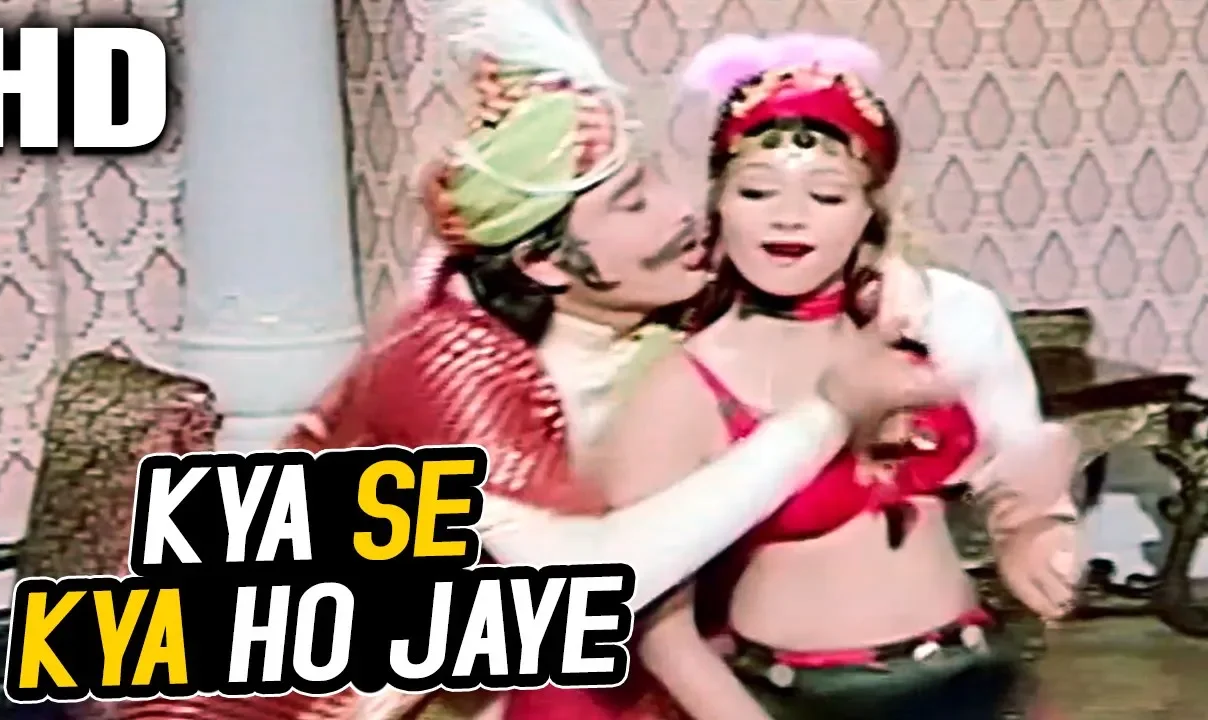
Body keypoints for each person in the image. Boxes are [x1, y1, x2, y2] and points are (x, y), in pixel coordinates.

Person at [107, 6, 956, 720]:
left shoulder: (647, 302)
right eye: (632, 202)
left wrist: (886, 276)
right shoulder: (453, 360)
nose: (682, 213)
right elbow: (597, 582)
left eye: (658, 181)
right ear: (546, 263)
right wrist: (825, 415)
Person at [592, 33, 1083, 720]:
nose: (788, 216)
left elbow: (1013, 465)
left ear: (868, 214)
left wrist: (1031, 529)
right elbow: (656, 625)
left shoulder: (924, 328)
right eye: (757, 191)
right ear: (720, 204)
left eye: (825, 196)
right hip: (804, 700)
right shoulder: (683, 387)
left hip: (969, 673)